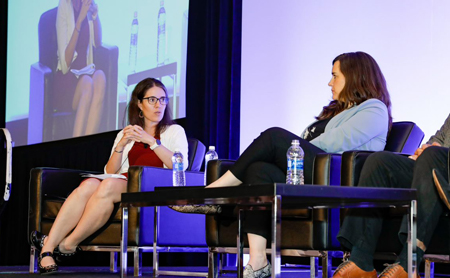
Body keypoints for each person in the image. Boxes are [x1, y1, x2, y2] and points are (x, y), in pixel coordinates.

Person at [172, 51, 393, 278]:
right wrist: (296, 147)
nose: (330, 82)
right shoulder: (335, 112)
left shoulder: (374, 108)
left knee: (274, 136)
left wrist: (292, 145)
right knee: (257, 171)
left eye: (335, 76)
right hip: (310, 174)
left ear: (355, 76)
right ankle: (258, 262)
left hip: (334, 179)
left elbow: (335, 143)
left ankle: (214, 193)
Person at [29, 78, 189, 274]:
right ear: (139, 103)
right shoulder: (127, 132)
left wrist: (152, 142)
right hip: (121, 181)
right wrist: (121, 146)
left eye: (163, 99)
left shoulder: (173, 131)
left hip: (151, 185)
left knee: (106, 186)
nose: (159, 105)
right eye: (152, 100)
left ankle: (68, 243)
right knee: (89, 184)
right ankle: (47, 249)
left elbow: (180, 165)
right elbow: (110, 172)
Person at [332, 115, 450, 278]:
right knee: (380, 161)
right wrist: (423, 150)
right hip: (434, 168)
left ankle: (409, 264)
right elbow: (435, 141)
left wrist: (432, 152)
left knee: (432, 156)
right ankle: (361, 260)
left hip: (443, 173)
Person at [54, 0, 106, 137]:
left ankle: (88, 146)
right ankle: (77, 144)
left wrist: (94, 16)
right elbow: (65, 64)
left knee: (100, 76)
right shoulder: (64, 6)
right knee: (88, 84)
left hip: (86, 72)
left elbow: (98, 42)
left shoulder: (87, 4)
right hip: (68, 80)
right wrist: (80, 20)